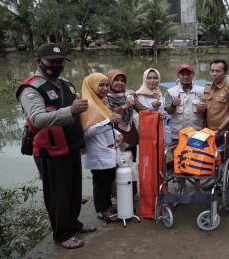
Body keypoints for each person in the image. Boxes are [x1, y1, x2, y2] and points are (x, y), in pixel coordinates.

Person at [16, 43, 94, 249]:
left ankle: (74, 224)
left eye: (60, 62)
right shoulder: (31, 88)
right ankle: (62, 234)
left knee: (74, 190)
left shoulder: (66, 84)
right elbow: (38, 119)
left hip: (71, 146)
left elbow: (76, 115)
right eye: (52, 62)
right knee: (58, 194)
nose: (57, 65)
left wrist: (80, 141)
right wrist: (71, 110)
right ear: (38, 62)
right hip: (49, 150)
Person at [80, 73, 123, 223]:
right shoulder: (88, 105)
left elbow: (106, 124)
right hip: (97, 151)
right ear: (92, 85)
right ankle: (101, 210)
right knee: (100, 182)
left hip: (107, 148)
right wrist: (108, 121)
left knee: (108, 178)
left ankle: (108, 206)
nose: (105, 88)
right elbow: (87, 132)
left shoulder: (100, 103)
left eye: (106, 85)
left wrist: (118, 133)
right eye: (101, 85)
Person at [197, 59, 229, 163]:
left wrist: (220, 129)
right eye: (212, 71)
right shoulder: (207, 88)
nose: (214, 74)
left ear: (225, 73)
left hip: (225, 133)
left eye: (218, 71)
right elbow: (203, 109)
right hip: (209, 132)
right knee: (212, 160)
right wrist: (199, 108)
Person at [107, 69, 148, 161]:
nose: (120, 83)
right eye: (116, 80)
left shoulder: (129, 94)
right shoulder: (104, 97)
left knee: (131, 161)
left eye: (122, 80)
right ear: (110, 81)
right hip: (112, 135)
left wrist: (156, 113)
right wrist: (126, 106)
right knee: (115, 164)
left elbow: (142, 109)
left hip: (130, 133)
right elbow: (109, 116)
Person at [164, 63, 204, 140]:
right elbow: (169, 112)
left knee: (196, 152)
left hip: (197, 134)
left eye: (188, 74)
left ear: (193, 75)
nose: (185, 77)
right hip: (177, 135)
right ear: (178, 76)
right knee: (177, 152)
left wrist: (203, 109)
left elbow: (207, 112)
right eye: (182, 74)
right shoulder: (170, 92)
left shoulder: (202, 91)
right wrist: (173, 105)